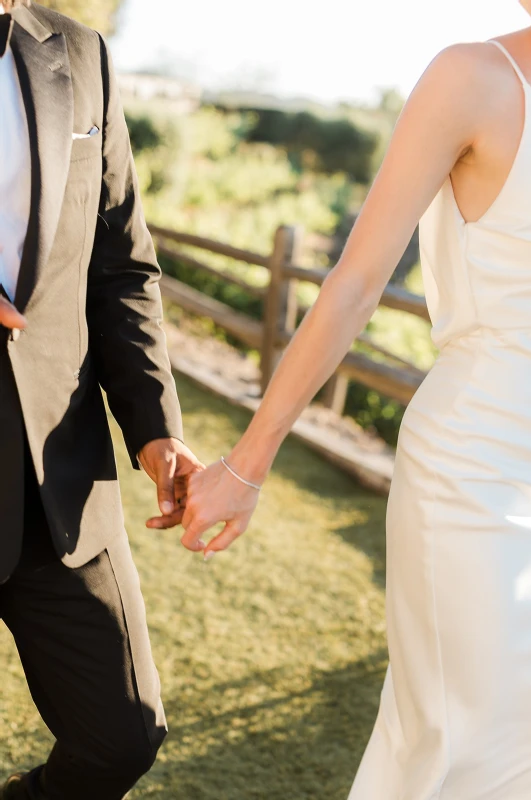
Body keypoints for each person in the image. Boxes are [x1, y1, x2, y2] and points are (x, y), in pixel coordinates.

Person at [182, 1, 531, 796]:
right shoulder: (475, 78)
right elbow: (357, 282)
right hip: (477, 477)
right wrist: (248, 462)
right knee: (473, 747)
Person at [0, 1, 205, 798]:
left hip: (61, 481)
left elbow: (121, 267)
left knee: (121, 737)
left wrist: (156, 432)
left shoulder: (82, 55)